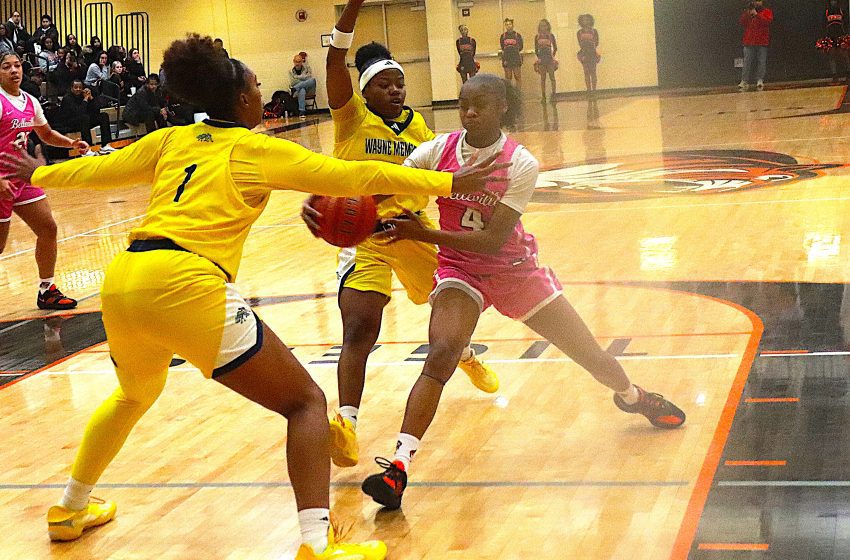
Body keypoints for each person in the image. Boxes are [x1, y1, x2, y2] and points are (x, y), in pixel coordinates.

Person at [0, 34, 506, 560]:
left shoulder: (171, 140)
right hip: (186, 280)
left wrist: (40, 173)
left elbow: (102, 170)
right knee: (306, 404)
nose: (263, 92)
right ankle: (317, 544)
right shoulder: (256, 149)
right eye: (258, 86)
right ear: (243, 99)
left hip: (126, 281)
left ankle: (70, 508)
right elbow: (352, 174)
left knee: (131, 396)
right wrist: (449, 183)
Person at [361, 74, 687, 510]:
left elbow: (492, 241)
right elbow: (387, 184)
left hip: (514, 270)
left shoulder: (520, 163)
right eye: (464, 104)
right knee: (441, 353)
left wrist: (422, 234)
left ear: (502, 108)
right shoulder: (437, 150)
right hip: (461, 271)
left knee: (591, 356)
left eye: (480, 104)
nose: (469, 112)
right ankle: (399, 467)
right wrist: (348, 205)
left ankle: (633, 396)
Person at [300, 0, 501, 472]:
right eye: (384, 84)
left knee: (450, 315)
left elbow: (440, 174)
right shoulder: (351, 118)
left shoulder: (420, 128)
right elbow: (334, 60)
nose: (394, 89)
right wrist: (353, 6)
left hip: (412, 233)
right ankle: (346, 425)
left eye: (399, 83)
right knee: (359, 328)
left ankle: (464, 354)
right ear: (364, 91)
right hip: (363, 238)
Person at [0, 53, 87, 310]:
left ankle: (47, 290)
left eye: (17, 66)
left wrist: (71, 143)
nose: (14, 70)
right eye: (6, 67)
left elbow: (46, 134)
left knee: (48, 228)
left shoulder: (30, 101)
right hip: (1, 181)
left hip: (22, 175)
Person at [54, 79, 114, 150]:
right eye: (76, 87)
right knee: (84, 118)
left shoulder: (83, 95)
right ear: (71, 88)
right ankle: (87, 148)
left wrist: (91, 98)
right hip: (69, 123)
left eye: (80, 87)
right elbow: (79, 112)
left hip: (84, 120)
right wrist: (85, 99)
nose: (78, 89)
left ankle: (106, 145)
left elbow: (96, 110)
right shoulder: (67, 98)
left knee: (103, 116)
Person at [738, 0, 773, 91]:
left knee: (761, 61)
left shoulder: (767, 11)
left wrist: (757, 15)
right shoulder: (748, 12)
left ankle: (760, 80)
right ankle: (744, 81)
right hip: (749, 41)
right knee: (747, 62)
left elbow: (767, 21)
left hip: (762, 41)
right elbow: (742, 22)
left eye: (759, 1)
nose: (757, 3)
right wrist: (747, 13)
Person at [825, 0, 849, 83]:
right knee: (832, 56)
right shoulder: (827, 11)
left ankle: (848, 75)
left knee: (845, 55)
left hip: (841, 36)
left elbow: (846, 23)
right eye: (832, 0)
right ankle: (834, 76)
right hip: (831, 37)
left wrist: (845, 36)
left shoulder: (841, 10)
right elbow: (824, 24)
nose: (833, 2)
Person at [534, 19, 557, 102]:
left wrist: (552, 57)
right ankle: (543, 96)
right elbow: (536, 49)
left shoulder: (551, 36)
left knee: (552, 77)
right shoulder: (537, 37)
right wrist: (539, 58)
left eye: (544, 25)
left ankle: (554, 95)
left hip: (549, 59)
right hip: (542, 59)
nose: (543, 27)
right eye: (541, 26)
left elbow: (555, 48)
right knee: (543, 78)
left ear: (547, 26)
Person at [577, 14, 600, 93]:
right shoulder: (579, 32)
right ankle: (588, 90)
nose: (586, 21)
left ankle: (594, 90)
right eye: (584, 20)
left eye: (587, 19)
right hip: (584, 53)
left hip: (592, 53)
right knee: (586, 72)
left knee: (593, 72)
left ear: (591, 20)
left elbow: (596, 43)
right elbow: (580, 44)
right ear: (581, 21)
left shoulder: (594, 31)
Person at [289, 53, 316, 119]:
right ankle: (302, 111)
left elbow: (309, 78)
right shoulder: (290, 71)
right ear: (293, 61)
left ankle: (295, 88)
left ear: (302, 62)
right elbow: (293, 82)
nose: (297, 63)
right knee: (302, 90)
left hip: (308, 89)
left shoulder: (307, 68)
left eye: (299, 62)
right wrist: (304, 79)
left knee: (313, 80)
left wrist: (297, 77)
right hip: (297, 92)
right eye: (296, 61)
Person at [499, 18, 523, 88]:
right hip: (506, 58)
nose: (508, 26)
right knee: (508, 78)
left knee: (517, 76)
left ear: (512, 25)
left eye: (510, 24)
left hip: (516, 57)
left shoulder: (517, 35)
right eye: (506, 24)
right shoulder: (503, 36)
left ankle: (518, 93)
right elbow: (502, 47)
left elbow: (521, 46)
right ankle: (510, 93)